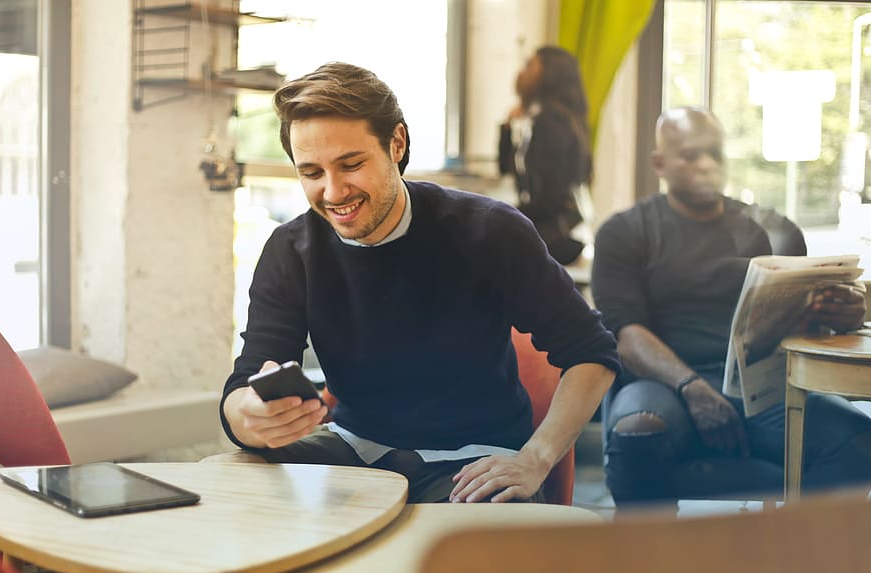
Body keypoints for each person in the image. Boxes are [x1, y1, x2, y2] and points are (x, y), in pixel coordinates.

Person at [220, 61, 620, 505]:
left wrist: (536, 458)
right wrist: (247, 417)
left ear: (397, 143)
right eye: (311, 173)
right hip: (353, 451)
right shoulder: (291, 249)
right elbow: (248, 377)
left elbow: (592, 352)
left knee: (465, 553)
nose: (333, 192)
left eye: (350, 164)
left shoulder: (489, 231)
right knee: (226, 485)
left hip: (472, 464)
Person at [591, 106, 871, 508]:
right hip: (663, 383)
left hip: (763, 386)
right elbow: (625, 335)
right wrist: (693, 388)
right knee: (639, 432)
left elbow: (804, 324)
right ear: (660, 164)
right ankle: (649, 565)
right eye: (690, 155)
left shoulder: (771, 230)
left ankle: (790, 552)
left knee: (859, 442)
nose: (705, 165)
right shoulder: (626, 231)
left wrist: (840, 315)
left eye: (715, 154)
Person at [498, 46, 593, 265]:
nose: (521, 72)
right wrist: (506, 127)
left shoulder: (552, 122)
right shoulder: (545, 117)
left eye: (530, 65)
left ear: (549, 74)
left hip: (561, 237)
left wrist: (504, 215)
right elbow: (505, 169)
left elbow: (549, 198)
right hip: (558, 230)